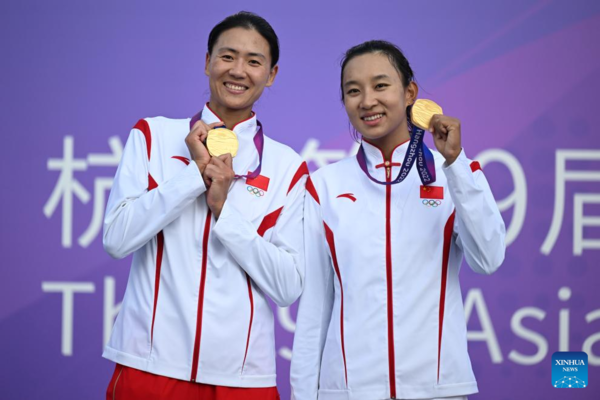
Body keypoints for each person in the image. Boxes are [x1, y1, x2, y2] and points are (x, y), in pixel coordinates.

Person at [103, 11, 307, 399]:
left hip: (243, 378)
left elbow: (287, 287)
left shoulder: (287, 167)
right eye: (227, 56)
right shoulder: (153, 136)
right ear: (207, 62)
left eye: (254, 61)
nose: (238, 71)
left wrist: (224, 212)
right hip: (148, 365)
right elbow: (116, 238)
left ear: (272, 74)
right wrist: (191, 177)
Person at [290, 40, 505, 400]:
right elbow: (314, 311)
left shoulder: (454, 175)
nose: (367, 101)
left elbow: (488, 259)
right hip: (346, 391)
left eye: (380, 85)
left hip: (438, 388)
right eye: (353, 91)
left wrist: (455, 166)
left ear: (410, 93)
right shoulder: (324, 186)